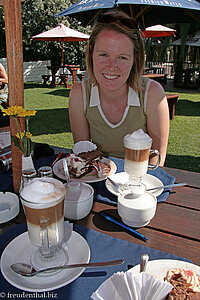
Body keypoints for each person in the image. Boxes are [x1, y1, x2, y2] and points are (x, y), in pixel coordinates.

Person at [69, 9, 169, 166]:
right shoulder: (79, 94)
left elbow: (157, 161)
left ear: (135, 60)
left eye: (122, 57)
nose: (111, 67)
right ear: (91, 54)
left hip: (141, 180)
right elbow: (83, 154)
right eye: (104, 55)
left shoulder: (153, 94)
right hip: (99, 175)